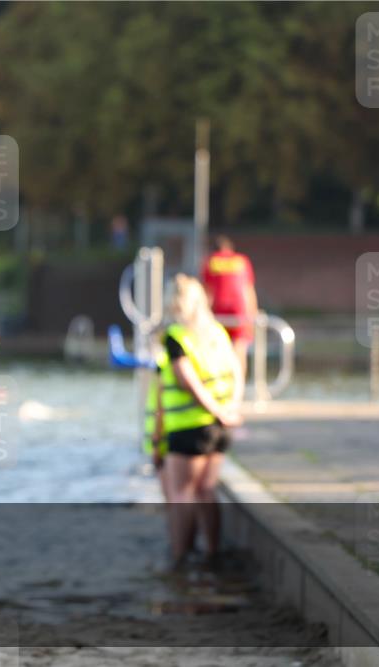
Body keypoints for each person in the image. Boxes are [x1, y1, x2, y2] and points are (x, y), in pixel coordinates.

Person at [156, 275, 243, 566]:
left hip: (189, 426)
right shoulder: (217, 331)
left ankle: (180, 558)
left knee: (183, 493)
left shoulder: (176, 337)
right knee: (207, 489)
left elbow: (188, 381)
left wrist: (217, 411)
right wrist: (230, 408)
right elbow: (236, 370)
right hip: (220, 428)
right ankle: (212, 552)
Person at [201, 234, 257, 380]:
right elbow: (248, 289)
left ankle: (220, 382)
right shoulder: (241, 260)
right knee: (239, 347)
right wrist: (253, 313)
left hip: (218, 310)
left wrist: (204, 313)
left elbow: (208, 291)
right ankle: (239, 383)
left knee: (216, 347)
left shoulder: (211, 261)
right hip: (239, 309)